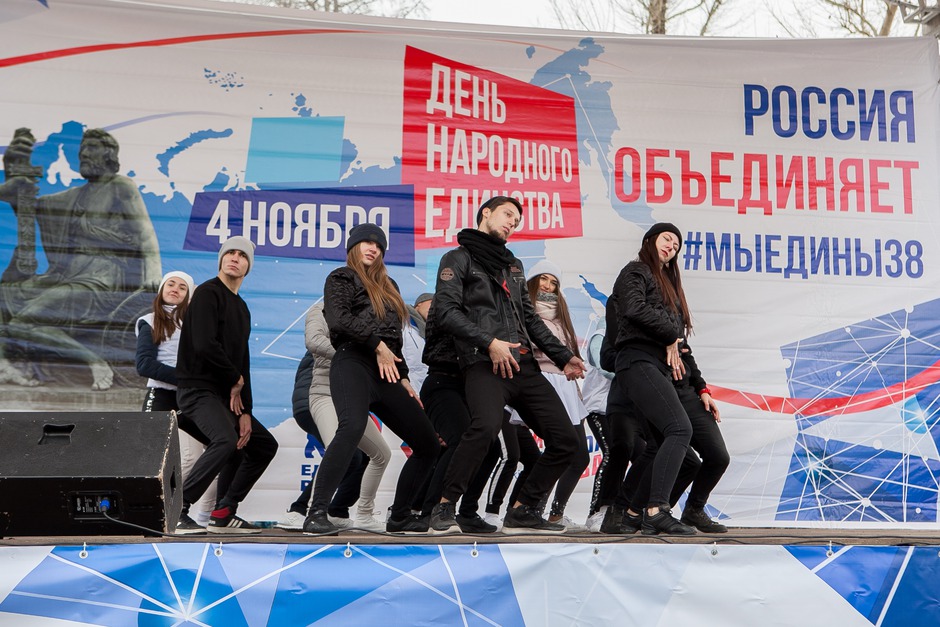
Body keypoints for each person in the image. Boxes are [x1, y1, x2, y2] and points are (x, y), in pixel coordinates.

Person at [428, 196, 586, 535]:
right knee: (484, 429)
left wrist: (563, 356)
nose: (512, 223)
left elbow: (530, 319)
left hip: (524, 366)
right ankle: (444, 507)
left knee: (567, 441)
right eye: (508, 215)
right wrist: (489, 343)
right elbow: (446, 312)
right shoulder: (457, 258)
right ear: (486, 213)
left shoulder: (512, 265)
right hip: (484, 363)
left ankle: (522, 509)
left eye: (517, 220)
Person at [303, 223, 439, 535]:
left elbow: (395, 338)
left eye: (378, 245)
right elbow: (339, 320)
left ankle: (399, 515)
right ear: (353, 247)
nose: (373, 248)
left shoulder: (390, 286)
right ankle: (316, 513)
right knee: (350, 428)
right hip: (352, 360)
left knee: (428, 443)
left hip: (386, 370)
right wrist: (376, 345)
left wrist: (402, 377)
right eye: (366, 242)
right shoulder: (341, 277)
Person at [0, 128, 161, 390]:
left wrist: (153, 275)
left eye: (91, 147)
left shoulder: (120, 186)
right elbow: (28, 206)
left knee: (24, 323)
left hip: (101, 279)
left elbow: (144, 232)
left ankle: (94, 361)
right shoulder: (75, 195)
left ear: (108, 153)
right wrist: (14, 170)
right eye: (82, 149)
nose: (83, 153)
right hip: (65, 275)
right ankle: (6, 364)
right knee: (4, 294)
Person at [612, 222, 722, 535]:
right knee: (679, 429)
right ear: (650, 240)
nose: (671, 247)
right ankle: (655, 510)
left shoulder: (668, 288)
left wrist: (700, 386)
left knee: (666, 443)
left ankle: (635, 514)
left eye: (676, 246)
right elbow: (634, 308)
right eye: (667, 239)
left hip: (657, 368)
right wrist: (671, 333)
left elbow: (682, 347)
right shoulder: (635, 271)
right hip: (636, 361)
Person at [174, 236, 278, 534]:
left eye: (242, 255)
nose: (235, 258)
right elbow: (204, 344)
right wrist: (234, 378)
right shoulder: (207, 293)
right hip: (197, 390)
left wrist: (246, 412)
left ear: (248, 266)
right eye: (229, 253)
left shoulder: (242, 308)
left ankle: (223, 512)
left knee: (262, 445)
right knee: (225, 440)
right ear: (221, 259)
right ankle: (177, 508)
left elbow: (242, 361)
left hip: (225, 397)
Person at [134, 270, 216, 526]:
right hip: (161, 397)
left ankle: (205, 518)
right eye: (171, 284)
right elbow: (144, 365)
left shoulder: (196, 324)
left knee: (220, 449)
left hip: (190, 398)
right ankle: (156, 515)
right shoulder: (149, 321)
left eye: (183, 287)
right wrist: (187, 379)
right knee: (157, 461)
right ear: (161, 289)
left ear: (189, 296)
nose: (175, 289)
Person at [518, 260, 590, 532]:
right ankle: (530, 510)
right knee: (556, 450)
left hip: (567, 385)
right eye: (543, 279)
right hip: (542, 382)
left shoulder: (562, 316)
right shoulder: (524, 311)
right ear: (532, 281)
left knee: (579, 456)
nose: (548, 286)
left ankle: (554, 513)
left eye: (554, 282)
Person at [276, 350, 373, 531]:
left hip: (327, 404)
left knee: (363, 456)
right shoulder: (340, 340)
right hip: (317, 403)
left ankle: (337, 512)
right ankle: (299, 510)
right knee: (349, 455)